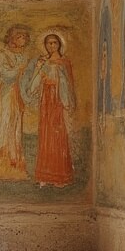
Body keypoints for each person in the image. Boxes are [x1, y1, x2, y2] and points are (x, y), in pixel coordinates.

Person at [25, 33, 76, 187]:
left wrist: (65, 99)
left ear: (59, 44)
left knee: (58, 135)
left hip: (58, 102)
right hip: (46, 103)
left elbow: (69, 85)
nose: (51, 46)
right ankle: (45, 176)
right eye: (48, 43)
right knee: (45, 136)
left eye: (54, 43)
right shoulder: (43, 62)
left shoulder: (64, 63)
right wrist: (38, 69)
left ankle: (59, 176)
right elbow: (32, 87)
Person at [0, 25, 32, 181]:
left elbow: (27, 77)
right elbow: (5, 75)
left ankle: (15, 163)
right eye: (19, 37)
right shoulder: (3, 55)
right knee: (5, 126)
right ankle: (1, 165)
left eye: (24, 37)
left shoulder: (24, 56)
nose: (22, 40)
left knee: (16, 128)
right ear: (12, 38)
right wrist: (20, 70)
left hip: (18, 96)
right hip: (6, 96)